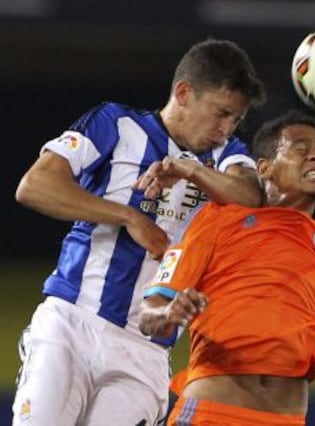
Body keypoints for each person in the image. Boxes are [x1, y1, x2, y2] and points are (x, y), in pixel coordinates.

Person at [12, 38, 266, 426]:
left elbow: (252, 198)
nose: (225, 128)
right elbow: (35, 186)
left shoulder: (226, 155)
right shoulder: (115, 124)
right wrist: (129, 217)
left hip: (146, 349)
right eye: (221, 113)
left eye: (235, 120)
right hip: (73, 322)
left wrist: (192, 169)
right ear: (183, 93)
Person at [138, 110, 315, 426]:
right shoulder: (217, 221)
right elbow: (149, 315)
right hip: (212, 415)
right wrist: (168, 315)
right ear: (265, 168)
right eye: (302, 149)